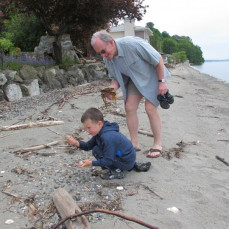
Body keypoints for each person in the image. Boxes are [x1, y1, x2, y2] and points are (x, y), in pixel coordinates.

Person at [91, 30, 171, 158]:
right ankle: (134, 143)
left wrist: (162, 82)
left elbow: (158, 60)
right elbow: (116, 78)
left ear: (111, 42)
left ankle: (157, 144)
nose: (102, 55)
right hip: (135, 80)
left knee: (150, 109)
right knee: (129, 107)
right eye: (99, 53)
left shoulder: (132, 44)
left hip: (152, 77)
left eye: (103, 51)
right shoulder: (108, 58)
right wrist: (111, 89)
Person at [66, 108, 151, 180]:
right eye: (85, 128)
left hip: (126, 160)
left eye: (89, 128)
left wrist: (91, 163)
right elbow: (88, 146)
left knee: (97, 151)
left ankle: (117, 172)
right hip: (123, 156)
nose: (87, 131)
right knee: (96, 149)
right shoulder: (100, 131)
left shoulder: (107, 137)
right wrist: (76, 143)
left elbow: (108, 160)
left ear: (99, 123)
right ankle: (126, 166)